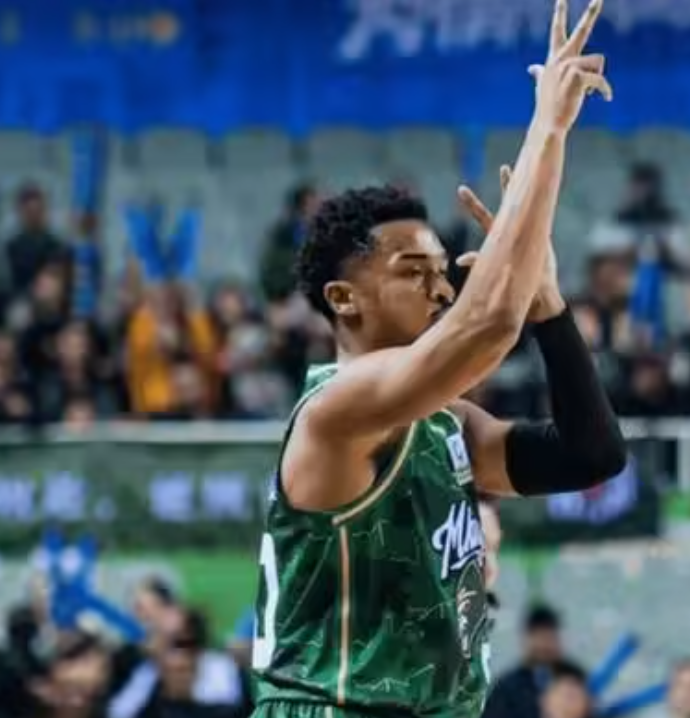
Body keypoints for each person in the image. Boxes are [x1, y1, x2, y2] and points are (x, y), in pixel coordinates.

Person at [249, 3, 624, 718]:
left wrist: (549, 307)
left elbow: (592, 455)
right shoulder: (336, 412)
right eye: (414, 272)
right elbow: (487, 325)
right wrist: (549, 127)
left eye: (443, 272)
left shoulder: (446, 425)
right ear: (344, 298)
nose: (443, 287)